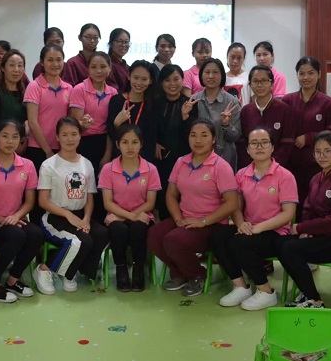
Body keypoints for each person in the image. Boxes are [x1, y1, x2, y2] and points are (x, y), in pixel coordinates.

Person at [147, 119, 239, 297]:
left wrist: (203, 221)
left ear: (213, 139)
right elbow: (171, 195)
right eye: (193, 135)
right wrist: (178, 219)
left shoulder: (221, 166)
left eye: (204, 135)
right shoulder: (181, 162)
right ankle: (180, 273)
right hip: (185, 218)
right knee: (154, 235)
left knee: (174, 240)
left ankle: (197, 275)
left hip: (211, 224)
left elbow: (232, 203)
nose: (198, 140)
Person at [211, 127, 298, 311]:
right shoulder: (242, 174)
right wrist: (241, 223)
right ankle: (241, 287)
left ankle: (265, 291)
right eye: (254, 143)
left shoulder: (285, 176)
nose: (259, 147)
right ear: (248, 149)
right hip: (250, 229)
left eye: (264, 142)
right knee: (218, 235)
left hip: (275, 232)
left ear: (272, 147)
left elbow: (288, 214)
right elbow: (236, 206)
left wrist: (259, 228)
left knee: (239, 243)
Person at [278, 131, 331, 308]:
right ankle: (307, 293)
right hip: (319, 236)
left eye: (328, 151)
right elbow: (307, 208)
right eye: (318, 152)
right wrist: (307, 231)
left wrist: (303, 228)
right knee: (281, 243)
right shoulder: (316, 178)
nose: (322, 156)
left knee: (290, 249)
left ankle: (314, 299)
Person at [34, 117, 109, 294]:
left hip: (80, 215)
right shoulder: (48, 165)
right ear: (57, 137)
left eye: (74, 134)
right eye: (65, 134)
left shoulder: (87, 164)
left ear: (80, 136)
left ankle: (71, 272)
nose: (70, 138)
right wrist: (68, 215)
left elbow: (89, 198)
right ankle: (44, 269)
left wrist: (87, 219)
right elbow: (43, 201)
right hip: (55, 217)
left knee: (102, 234)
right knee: (79, 242)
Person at [0, 121, 43, 302]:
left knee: (36, 234)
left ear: (21, 140)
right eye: (5, 136)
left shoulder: (28, 165)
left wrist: (15, 216)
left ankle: (13, 280)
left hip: (15, 220)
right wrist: (4, 220)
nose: (10, 141)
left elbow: (29, 202)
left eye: (15, 137)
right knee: (16, 236)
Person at [99, 124, 161, 292]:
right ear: (118, 144)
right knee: (118, 229)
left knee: (138, 228)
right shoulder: (108, 169)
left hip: (142, 215)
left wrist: (132, 216)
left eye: (134, 142)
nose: (130, 147)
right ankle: (121, 270)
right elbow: (108, 203)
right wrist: (129, 216)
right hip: (116, 216)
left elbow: (150, 203)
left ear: (141, 144)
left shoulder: (151, 169)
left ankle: (139, 269)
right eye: (125, 142)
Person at [282, 57, 331, 208]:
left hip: (317, 163)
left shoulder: (327, 103)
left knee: (315, 201)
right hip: (291, 162)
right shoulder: (288, 100)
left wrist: (308, 138)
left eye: (311, 73)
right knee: (292, 201)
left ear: (319, 74)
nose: (305, 77)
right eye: (301, 73)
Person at [70, 52, 119, 223]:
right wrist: (84, 124)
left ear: (110, 68)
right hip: (83, 143)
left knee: (101, 186)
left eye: (103, 66)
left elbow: (111, 127)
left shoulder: (113, 92)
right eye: (94, 67)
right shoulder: (79, 89)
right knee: (82, 184)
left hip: (105, 142)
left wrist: (107, 154)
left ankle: (99, 224)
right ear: (88, 69)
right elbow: (76, 126)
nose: (99, 71)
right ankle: (79, 221)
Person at [154, 64, 198, 220]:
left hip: (183, 157)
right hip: (161, 159)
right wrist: (155, 142)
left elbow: (193, 133)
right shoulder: (155, 103)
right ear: (161, 83)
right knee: (163, 194)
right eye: (167, 80)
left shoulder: (191, 103)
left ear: (183, 80)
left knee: (183, 194)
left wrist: (185, 117)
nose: (172, 84)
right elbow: (151, 128)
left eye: (176, 79)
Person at [23, 44, 72, 170]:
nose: (55, 64)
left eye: (59, 59)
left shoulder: (69, 88)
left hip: (62, 148)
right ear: (42, 62)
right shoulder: (34, 86)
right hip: (38, 148)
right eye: (50, 60)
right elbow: (33, 122)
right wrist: (48, 151)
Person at [239, 65, 294, 170]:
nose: (259, 85)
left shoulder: (284, 109)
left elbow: (287, 142)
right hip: (252, 168)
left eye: (264, 81)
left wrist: (270, 166)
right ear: (250, 85)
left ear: (272, 83)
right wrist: (253, 166)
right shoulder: (246, 111)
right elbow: (243, 143)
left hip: (278, 168)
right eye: (255, 81)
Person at [193, 58, 242, 171]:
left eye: (215, 72)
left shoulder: (232, 102)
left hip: (224, 157)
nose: (211, 76)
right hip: (199, 155)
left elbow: (236, 136)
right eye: (207, 72)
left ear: (222, 76)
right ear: (201, 75)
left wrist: (226, 125)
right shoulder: (194, 100)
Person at [107, 60, 157, 161]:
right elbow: (110, 133)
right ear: (129, 76)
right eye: (136, 78)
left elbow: (153, 135)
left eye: (144, 79)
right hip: (120, 156)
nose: (139, 83)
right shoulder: (116, 100)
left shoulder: (153, 103)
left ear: (150, 81)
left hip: (145, 158)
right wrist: (116, 124)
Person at [0, 49, 29, 154]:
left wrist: (23, 138)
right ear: (3, 68)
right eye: (12, 65)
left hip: (21, 144)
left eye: (20, 65)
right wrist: (11, 142)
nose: (16, 69)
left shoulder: (25, 90)